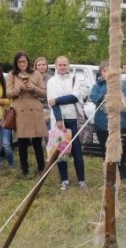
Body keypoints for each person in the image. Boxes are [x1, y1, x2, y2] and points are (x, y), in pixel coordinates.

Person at [47, 55, 88, 190]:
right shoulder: (51, 82)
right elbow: (51, 101)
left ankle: (81, 180)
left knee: (77, 151)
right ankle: (64, 180)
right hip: (59, 121)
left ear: (68, 66)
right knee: (61, 151)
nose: (62, 67)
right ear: (56, 66)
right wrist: (59, 119)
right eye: (60, 65)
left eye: (65, 65)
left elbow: (75, 97)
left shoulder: (74, 79)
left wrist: (57, 100)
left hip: (73, 118)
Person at [7, 51, 47, 177]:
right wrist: (19, 88)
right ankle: (24, 169)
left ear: (28, 61)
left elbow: (44, 93)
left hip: (35, 109)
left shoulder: (36, 74)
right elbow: (8, 93)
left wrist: (33, 88)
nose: (22, 64)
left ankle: (41, 168)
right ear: (16, 63)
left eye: (24, 61)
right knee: (22, 142)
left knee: (37, 140)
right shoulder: (11, 75)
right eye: (19, 62)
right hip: (20, 109)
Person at [90, 60, 126, 180]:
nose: (107, 73)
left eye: (110, 70)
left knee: (121, 153)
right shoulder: (97, 86)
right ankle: (110, 178)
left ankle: (124, 178)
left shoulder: (122, 85)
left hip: (121, 125)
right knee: (106, 152)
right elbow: (93, 96)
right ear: (101, 73)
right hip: (103, 125)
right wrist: (105, 96)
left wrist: (116, 96)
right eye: (104, 71)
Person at [34, 56, 52, 131]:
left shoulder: (51, 79)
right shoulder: (32, 78)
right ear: (35, 67)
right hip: (34, 109)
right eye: (39, 65)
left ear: (46, 66)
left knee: (48, 133)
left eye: (43, 65)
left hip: (47, 108)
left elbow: (49, 93)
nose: (41, 67)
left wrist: (36, 91)